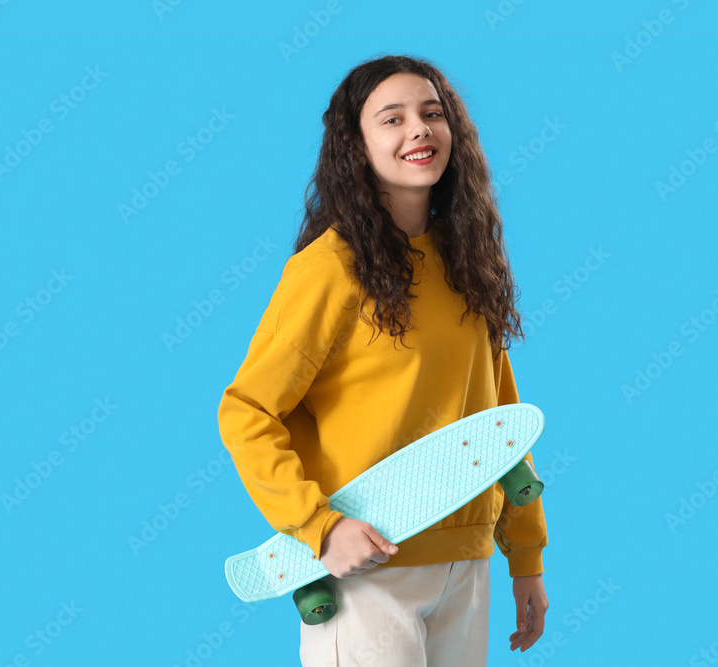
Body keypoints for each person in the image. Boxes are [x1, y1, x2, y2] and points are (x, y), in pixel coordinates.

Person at [217, 54, 549, 666]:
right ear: (357, 147)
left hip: (467, 564)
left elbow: (500, 417)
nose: (419, 129)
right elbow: (247, 411)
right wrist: (320, 527)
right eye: (391, 118)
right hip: (368, 571)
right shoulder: (329, 270)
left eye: (432, 114)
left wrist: (525, 557)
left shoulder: (467, 261)